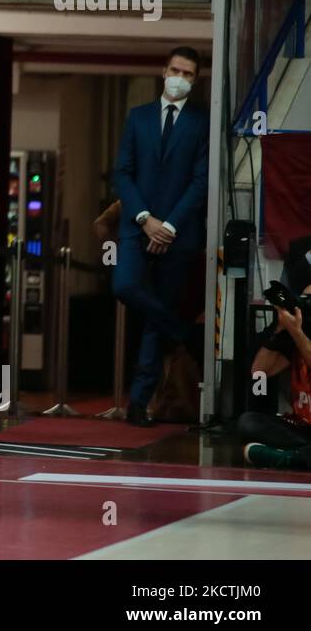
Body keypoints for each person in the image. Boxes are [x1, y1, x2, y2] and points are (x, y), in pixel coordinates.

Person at [113, 47, 208, 427]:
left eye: (187, 73)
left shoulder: (202, 121)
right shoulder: (138, 118)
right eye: (175, 70)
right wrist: (145, 219)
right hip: (138, 226)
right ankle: (184, 332)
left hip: (178, 233)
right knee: (125, 286)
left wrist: (168, 227)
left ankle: (139, 402)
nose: (179, 77)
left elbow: (201, 181)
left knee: (154, 319)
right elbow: (123, 173)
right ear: (162, 70)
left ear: (194, 80)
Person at [241, 297, 311, 470]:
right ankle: (303, 453)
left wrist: (296, 332)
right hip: (302, 429)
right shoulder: (298, 340)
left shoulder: (300, 337)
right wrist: (281, 328)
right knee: (248, 422)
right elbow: (260, 371)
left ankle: (291, 458)